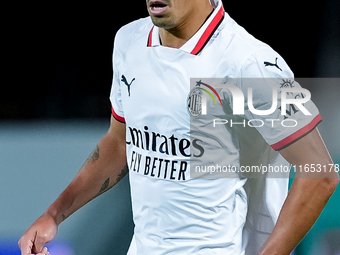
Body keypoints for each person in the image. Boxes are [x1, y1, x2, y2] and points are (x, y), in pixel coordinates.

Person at [19, 0, 339, 254]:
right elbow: (120, 143)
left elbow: (321, 173)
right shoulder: (129, 42)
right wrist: (54, 214)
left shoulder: (249, 62)